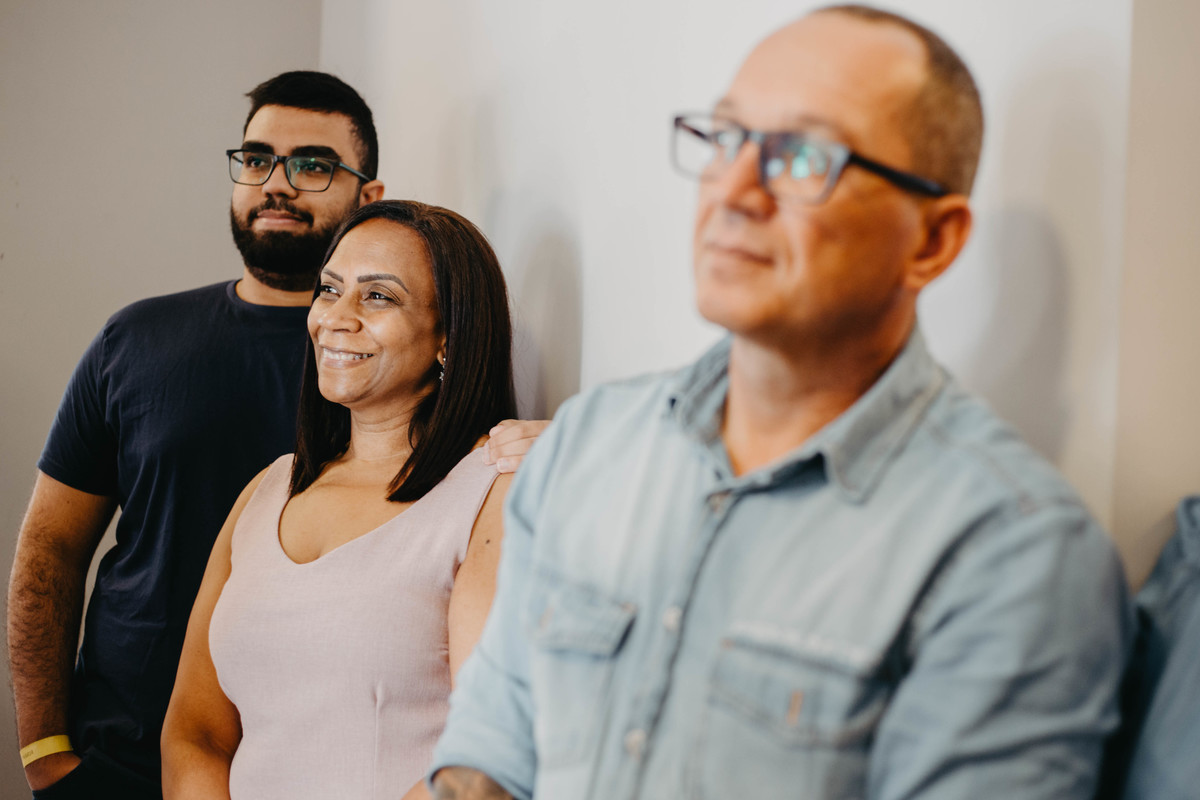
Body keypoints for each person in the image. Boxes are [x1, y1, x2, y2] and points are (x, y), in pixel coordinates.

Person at [429, 6, 1134, 799]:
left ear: (932, 240)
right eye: (726, 139)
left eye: (802, 157)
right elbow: (487, 753)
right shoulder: (589, 442)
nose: (733, 191)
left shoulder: (1013, 550)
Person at [7, 71, 543, 800]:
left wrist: (576, 455)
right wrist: (44, 748)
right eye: (257, 159)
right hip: (116, 759)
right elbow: (54, 551)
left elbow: (487, 748)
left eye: (312, 164)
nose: (277, 183)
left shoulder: (489, 486)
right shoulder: (176, 385)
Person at [161, 199, 517, 800]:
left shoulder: (494, 492)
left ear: (448, 337)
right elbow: (196, 734)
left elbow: (485, 757)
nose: (336, 317)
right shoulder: (268, 489)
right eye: (329, 289)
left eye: (378, 296)